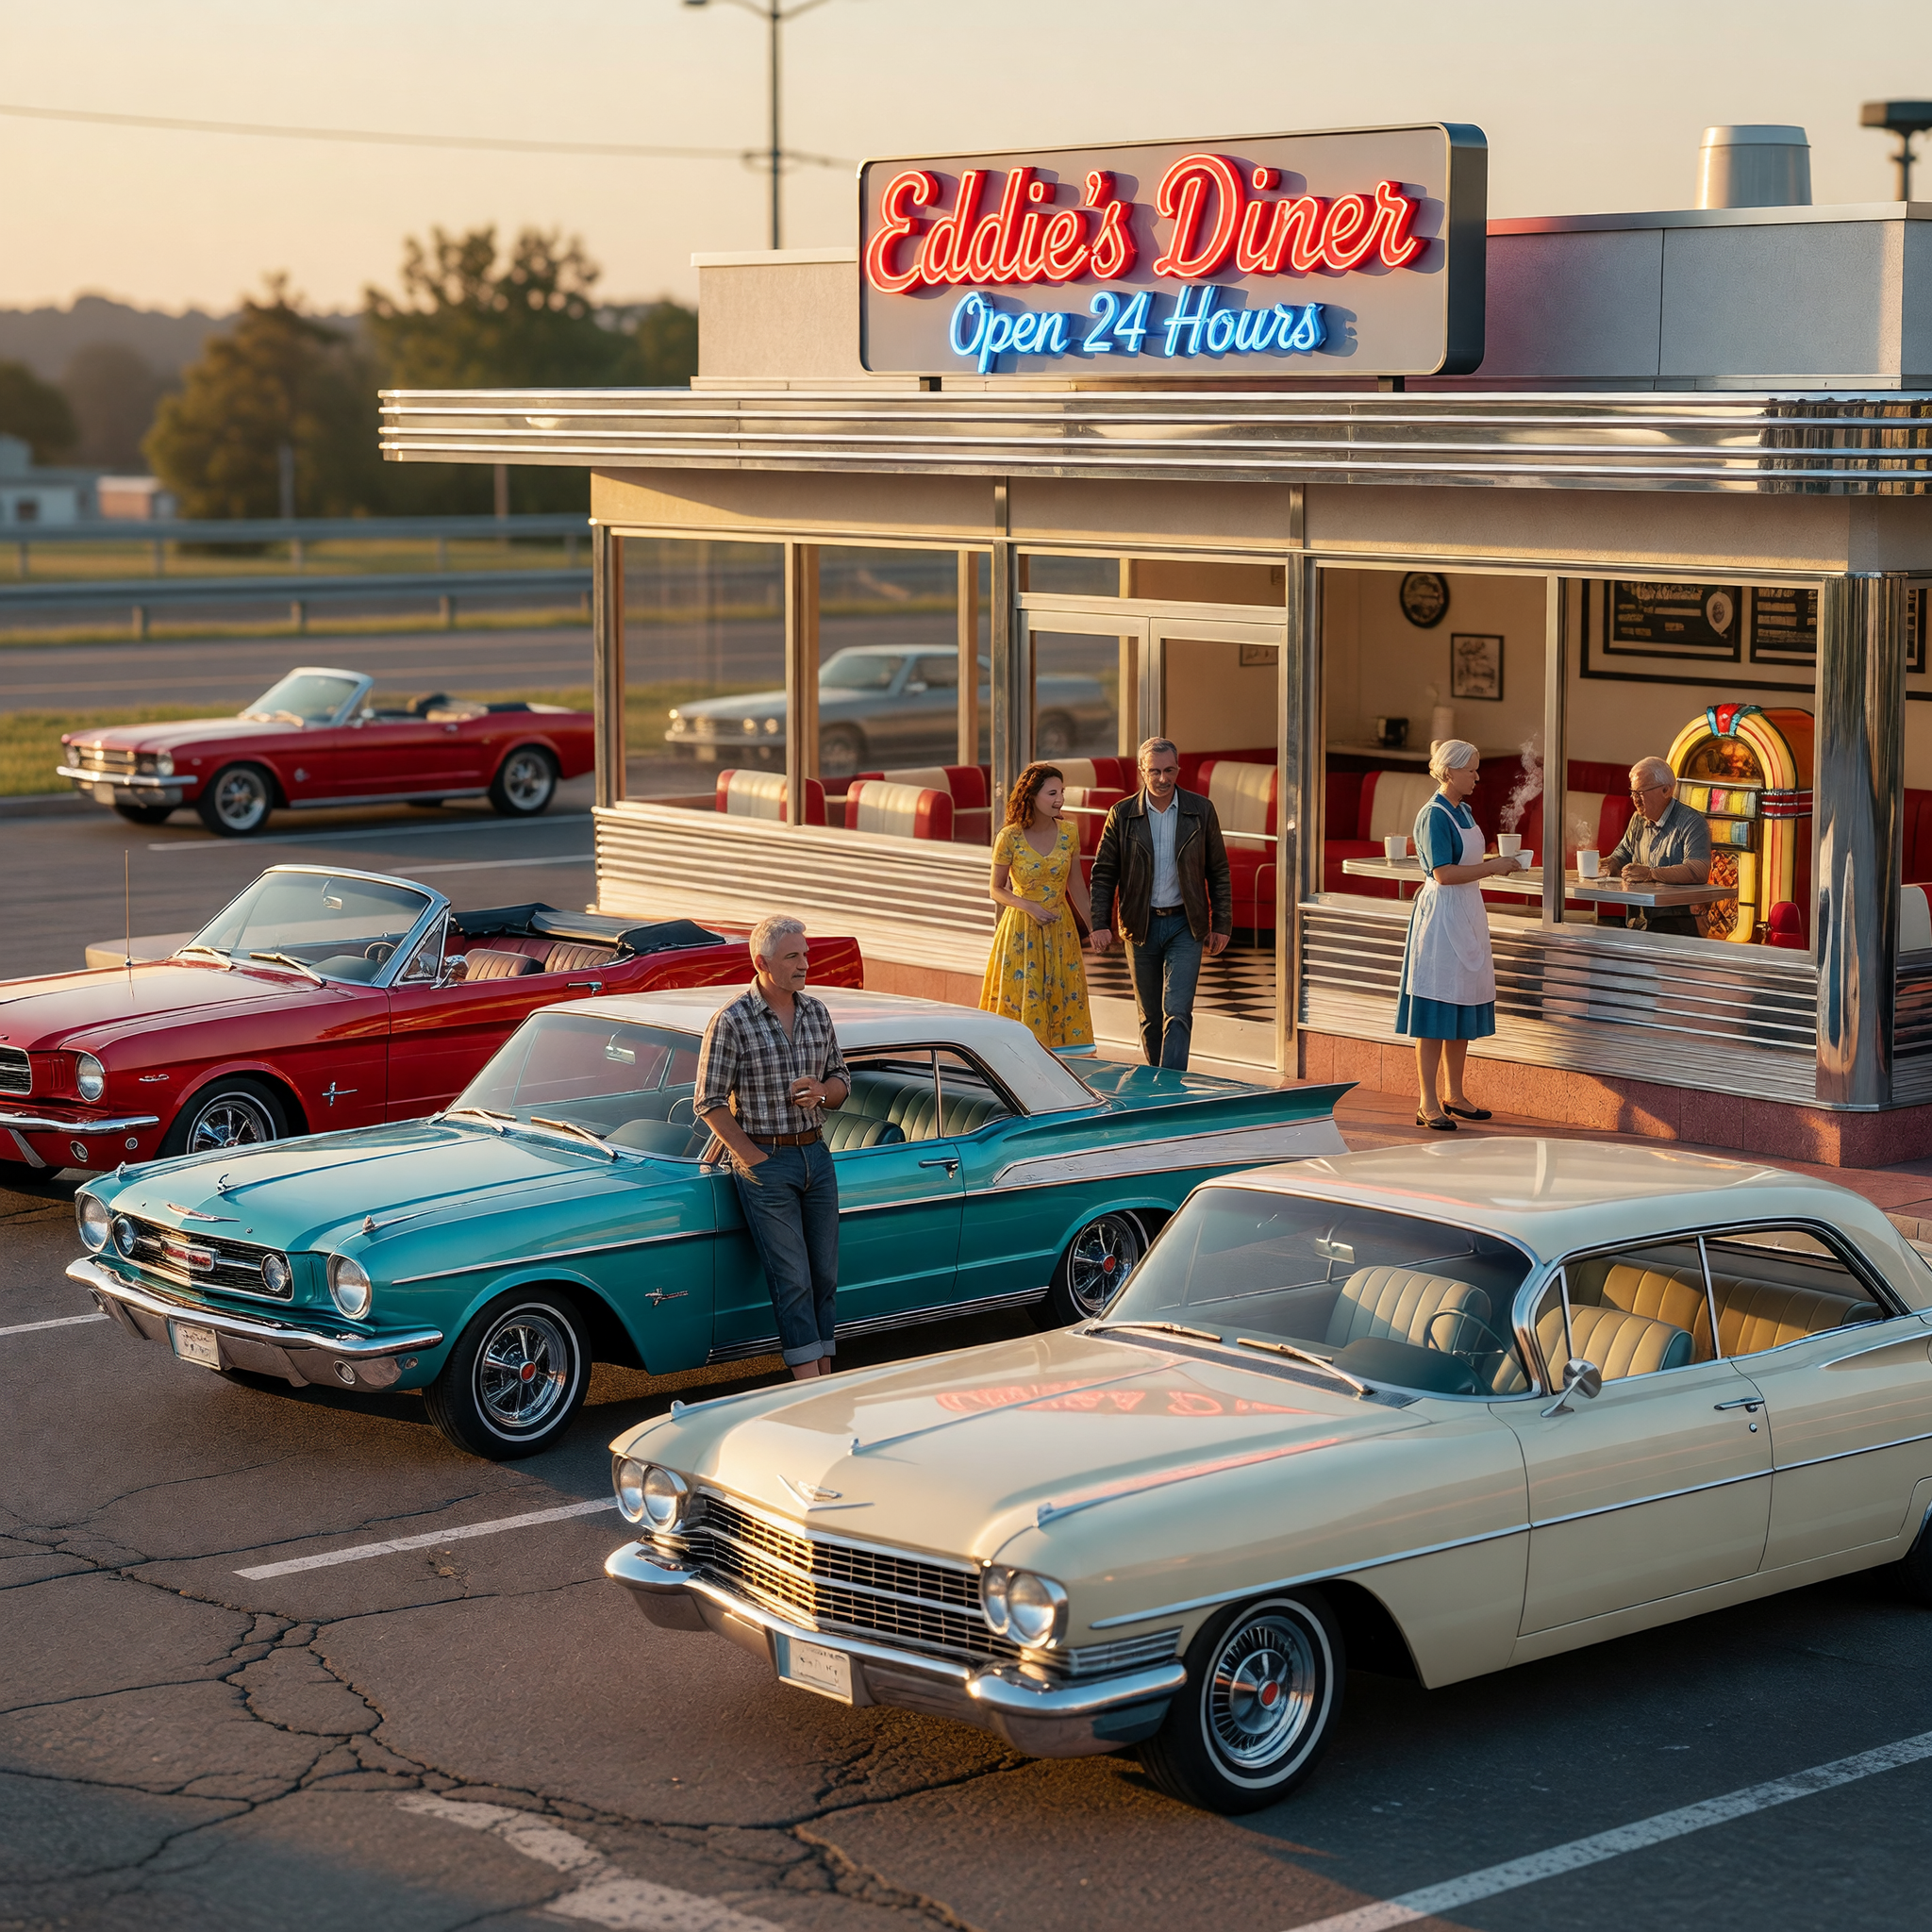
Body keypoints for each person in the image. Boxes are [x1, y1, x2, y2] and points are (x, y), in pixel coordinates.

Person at [693, 914, 850, 1380]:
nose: (805, 963)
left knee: (824, 1276)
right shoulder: (732, 1019)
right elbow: (709, 1101)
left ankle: (825, 1375)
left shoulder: (817, 1011)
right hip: (766, 1162)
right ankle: (810, 1387)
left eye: (806, 953)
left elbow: (842, 1080)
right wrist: (752, 1157)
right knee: (793, 1280)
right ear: (762, 962)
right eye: (793, 956)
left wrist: (822, 1090)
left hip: (817, 1155)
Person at [1395, 740, 1523, 1131]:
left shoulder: (1463, 811)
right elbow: (1443, 874)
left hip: (1467, 910)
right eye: (1471, 770)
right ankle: (1427, 1102)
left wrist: (1494, 865)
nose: (1477, 776)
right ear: (1449, 772)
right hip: (1441, 915)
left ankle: (1455, 1093)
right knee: (1436, 1006)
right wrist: (1494, 867)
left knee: (1462, 1000)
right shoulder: (1433, 816)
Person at [1090, 737, 1232, 1072]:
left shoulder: (1201, 811)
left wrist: (1222, 923)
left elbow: (1219, 870)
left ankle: (1171, 1089)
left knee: (1178, 1011)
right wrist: (1099, 922)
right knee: (1151, 1016)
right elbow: (1104, 872)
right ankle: (1159, 1081)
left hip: (1186, 925)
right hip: (1140, 926)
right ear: (1142, 771)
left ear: (1178, 769)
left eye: (1169, 770)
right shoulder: (1122, 815)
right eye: (1154, 771)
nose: (1163, 779)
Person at [981, 761, 1097, 1055]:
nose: (1060, 799)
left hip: (1061, 931)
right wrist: (1028, 906)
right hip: (1021, 932)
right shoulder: (1009, 837)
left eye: (1062, 792)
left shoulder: (1069, 832)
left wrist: (1096, 928)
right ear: (1031, 796)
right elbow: (996, 889)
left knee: (1062, 997)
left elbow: (1077, 887)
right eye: (1052, 793)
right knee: (1026, 996)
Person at [1605, 756, 1712, 938]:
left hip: (1677, 926)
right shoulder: (1638, 819)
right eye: (1632, 792)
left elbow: (1698, 869)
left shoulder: (1692, 823)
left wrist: (1650, 873)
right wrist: (1610, 863)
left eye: (1641, 792)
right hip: (1638, 921)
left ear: (1666, 790)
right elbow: (1624, 852)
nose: (1634, 799)